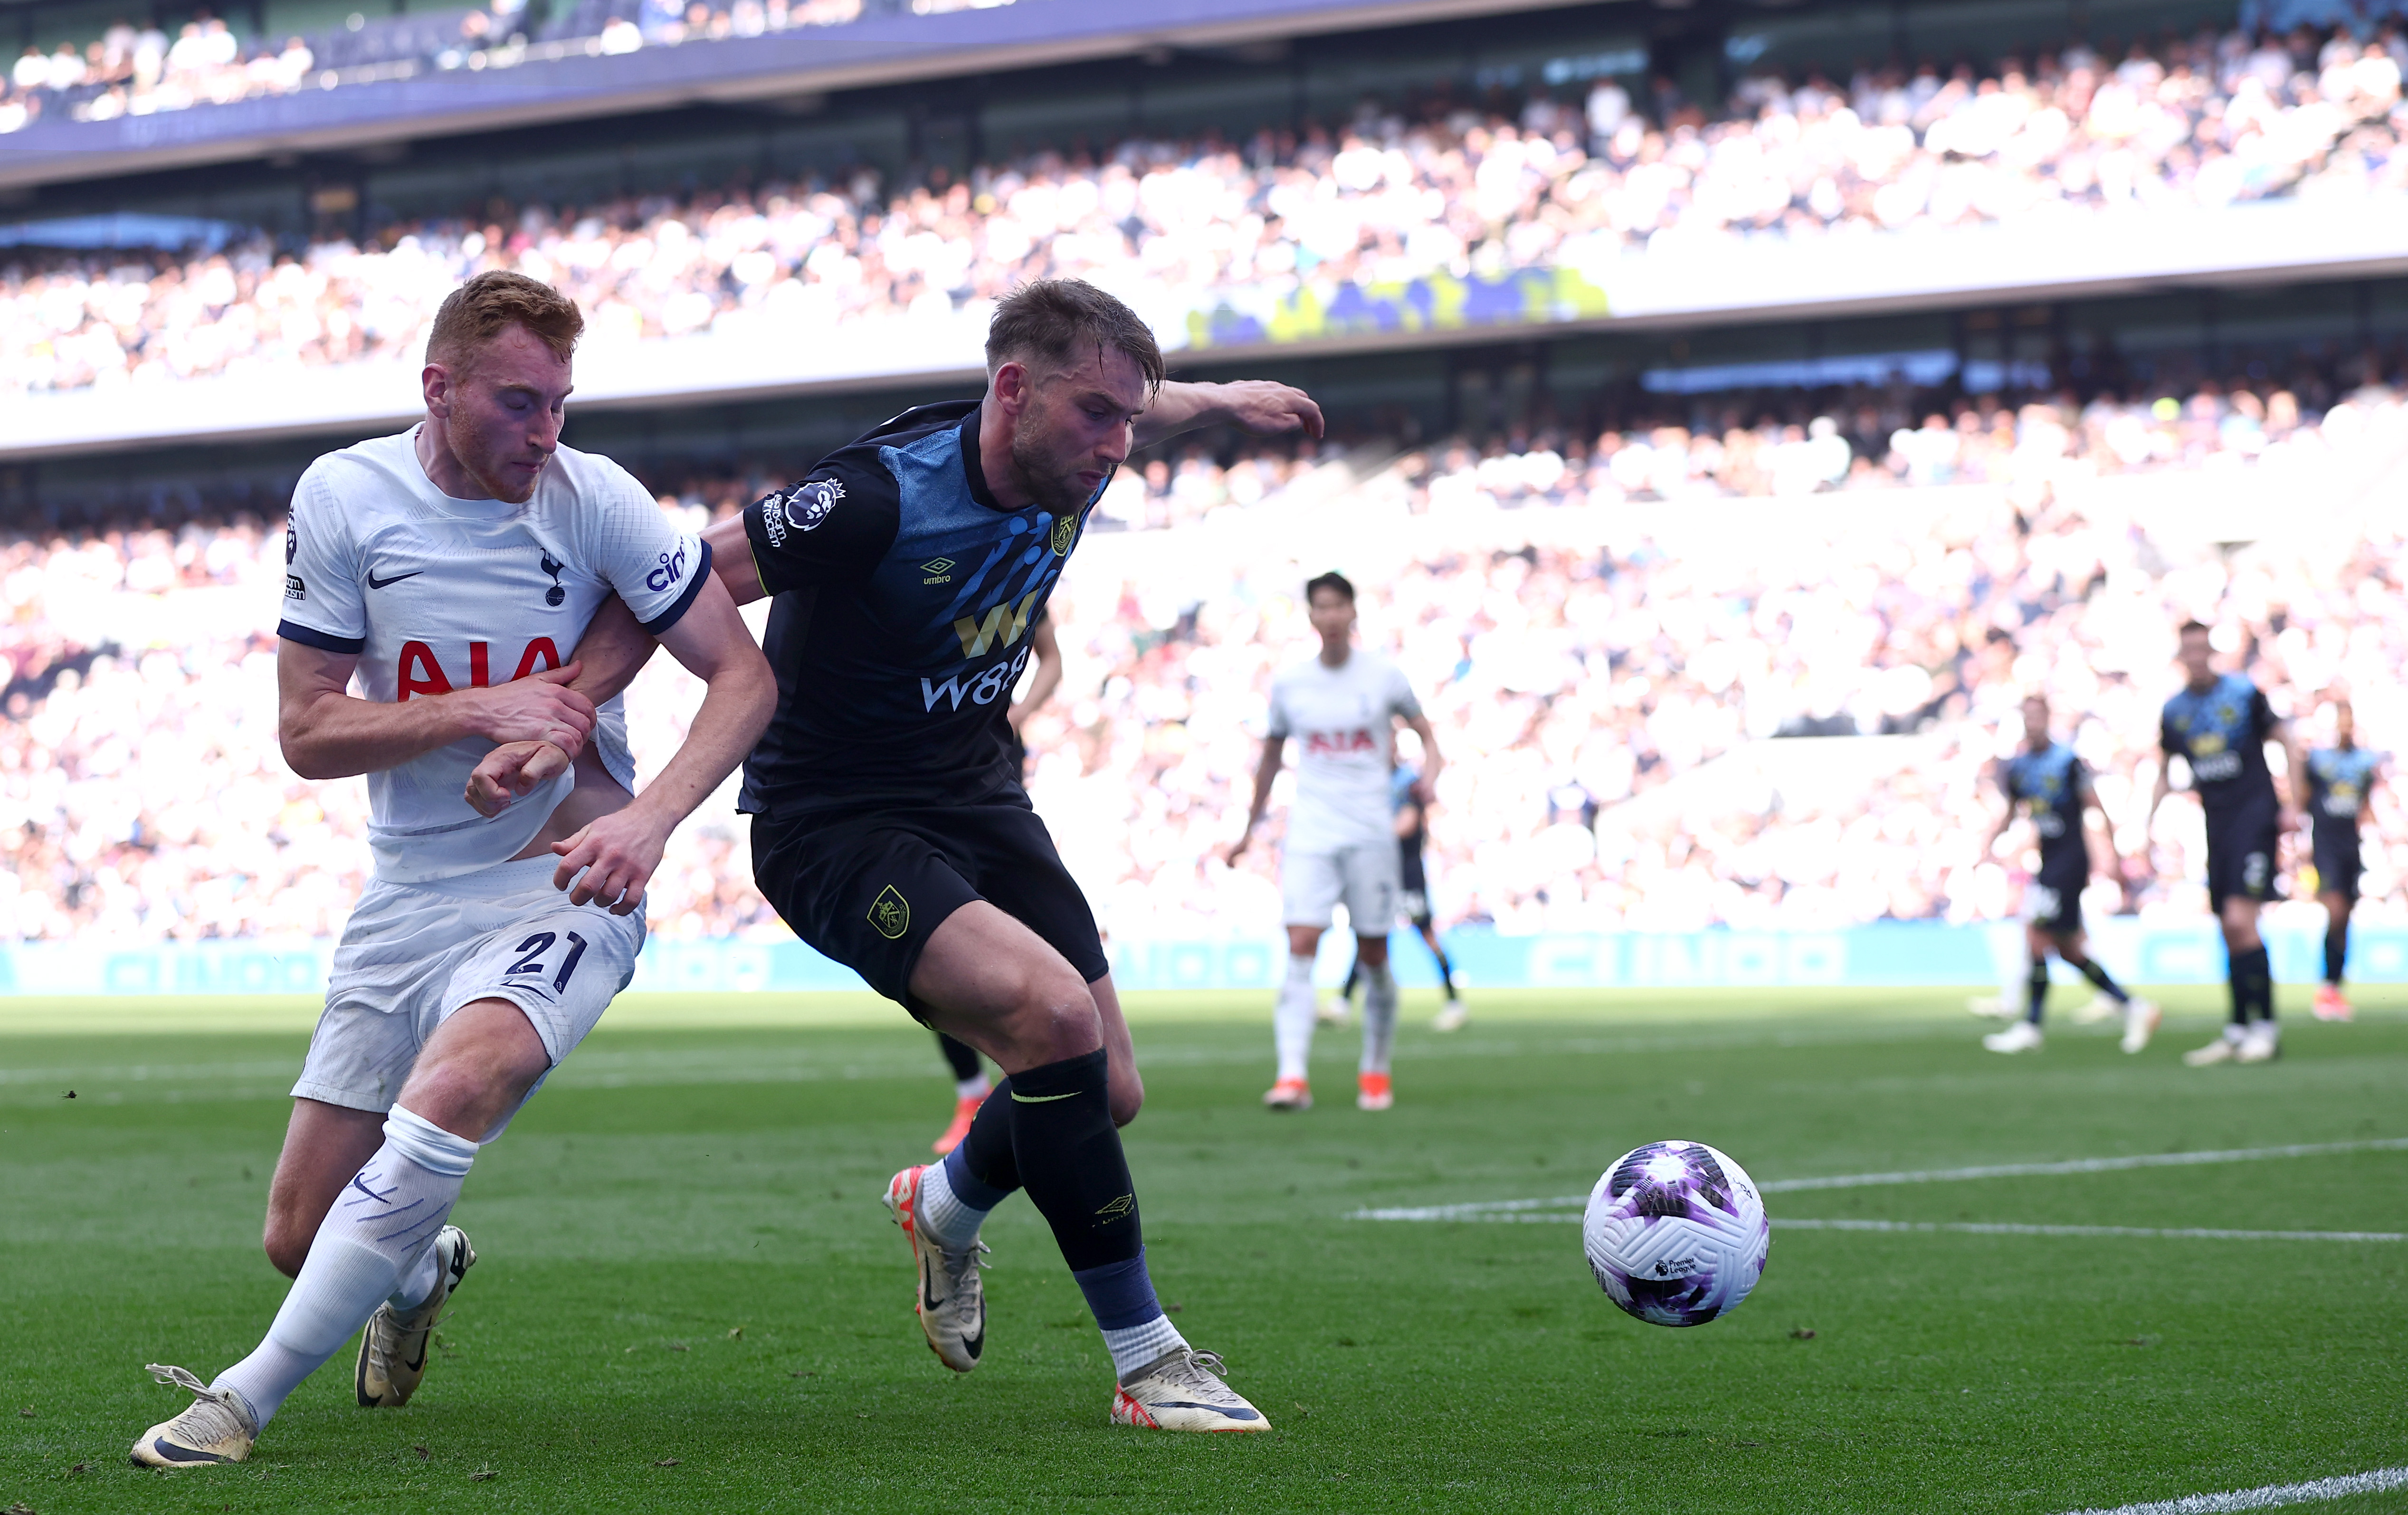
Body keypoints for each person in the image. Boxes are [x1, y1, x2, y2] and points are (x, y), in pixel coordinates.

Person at [470, 278, 1321, 1431]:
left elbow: (1138, 402)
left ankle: (945, 1202)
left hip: (976, 785)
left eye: (1131, 416)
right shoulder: (869, 501)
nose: (1116, 445)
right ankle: (1147, 1360)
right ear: (1012, 389)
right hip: (836, 818)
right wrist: (566, 710)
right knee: (1053, 1023)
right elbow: (685, 579)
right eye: (1096, 416)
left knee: (1104, 1088)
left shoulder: (1079, 434)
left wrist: (1223, 397)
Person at [131, 272, 776, 1467]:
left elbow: (745, 678)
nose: (547, 434)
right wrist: (467, 711)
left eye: (562, 405)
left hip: (567, 878)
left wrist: (652, 826)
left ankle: (238, 1398)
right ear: (438, 388)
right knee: (299, 1229)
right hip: (409, 892)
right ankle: (421, 1263)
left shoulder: (599, 502)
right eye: (521, 405)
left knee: (454, 1088)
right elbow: (307, 733)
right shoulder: (345, 495)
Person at [1225, 572, 1444, 1114]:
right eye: (1319, 607)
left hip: (1370, 831)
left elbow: (1428, 736)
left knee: (1373, 952)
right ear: (1310, 616)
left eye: (1336, 606)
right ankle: (1291, 1077)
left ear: (1352, 612)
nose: (1328, 616)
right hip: (1311, 831)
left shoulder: (1383, 676)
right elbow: (1271, 758)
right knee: (1300, 944)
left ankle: (1374, 1070)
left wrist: (1431, 777)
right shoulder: (1290, 683)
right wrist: (1249, 828)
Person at [930, 608, 1061, 1155]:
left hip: (994, 770)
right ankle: (971, 1094)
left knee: (1018, 928)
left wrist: (1022, 712)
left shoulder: (1017, 571)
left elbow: (1052, 658)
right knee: (940, 944)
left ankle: (1028, 1084)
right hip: (927, 770)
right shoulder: (929, 571)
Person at [2148, 621, 2303, 1067]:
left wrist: (2293, 803)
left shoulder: (2243, 694)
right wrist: (2148, 820)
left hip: (2254, 817)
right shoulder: (2175, 710)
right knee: (2227, 928)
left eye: (2202, 648)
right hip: (2215, 826)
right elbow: (2165, 767)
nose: (2196, 656)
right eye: (2188, 649)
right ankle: (2237, 1029)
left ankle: (2266, 1029)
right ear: (2181, 655)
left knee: (2241, 921)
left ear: (2210, 651)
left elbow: (2286, 741)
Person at [1978, 695, 2159, 1055]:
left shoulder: (2066, 761)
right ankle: (2134, 1007)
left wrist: (2114, 858)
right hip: (2049, 859)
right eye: (2026, 717)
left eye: (2037, 716)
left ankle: (2030, 1024)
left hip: (2070, 861)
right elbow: (2012, 811)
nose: (2032, 723)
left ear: (2047, 718)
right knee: (2068, 949)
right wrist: (1988, 845)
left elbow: (2097, 808)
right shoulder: (2019, 767)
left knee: (2034, 934)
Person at [1335, 764, 1466, 1032]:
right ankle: (1343, 1003)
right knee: (1370, 937)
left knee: (1427, 937)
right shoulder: (1371, 781)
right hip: (1383, 874)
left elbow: (1406, 824)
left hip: (1407, 877)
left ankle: (1455, 1004)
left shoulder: (1406, 783)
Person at [2302, 696, 2382, 1022]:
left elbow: (2363, 802)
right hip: (2325, 845)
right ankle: (2326, 986)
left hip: (2351, 845)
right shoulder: (2316, 761)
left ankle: (2333, 988)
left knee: (2345, 918)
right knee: (2334, 911)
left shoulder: (2364, 762)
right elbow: (2304, 797)